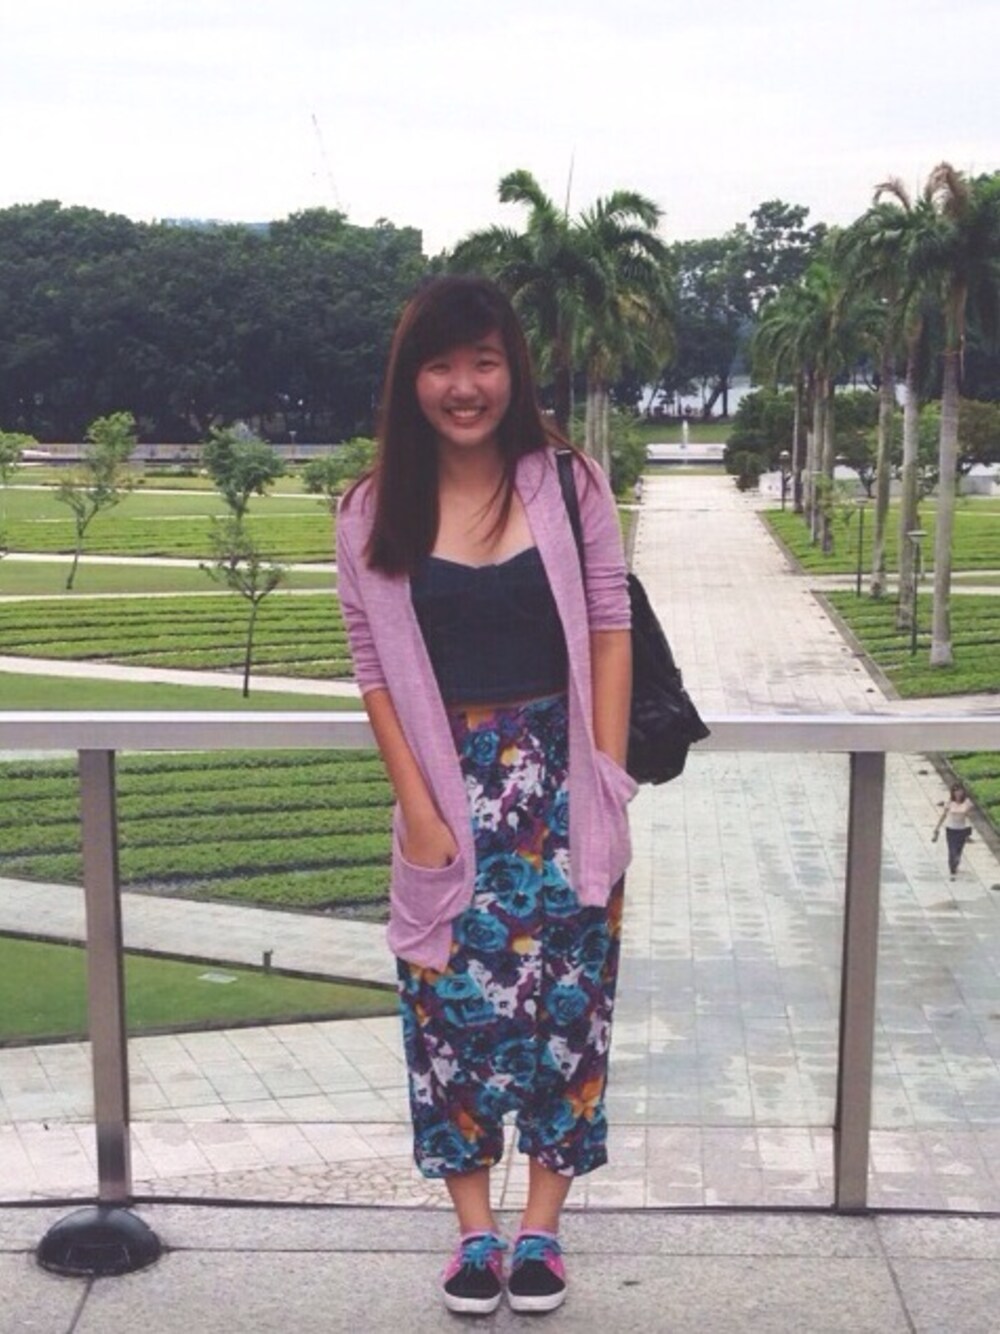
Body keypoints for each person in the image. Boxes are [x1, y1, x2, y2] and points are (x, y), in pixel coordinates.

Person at [336, 275, 635, 1315]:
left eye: (484, 362)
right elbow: (373, 670)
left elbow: (609, 623)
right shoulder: (371, 508)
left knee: (569, 1010)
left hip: (564, 789)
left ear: (513, 371)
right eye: (440, 365)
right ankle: (473, 1233)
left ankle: (541, 1228)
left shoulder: (567, 483)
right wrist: (419, 808)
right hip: (447, 792)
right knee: (444, 1020)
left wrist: (603, 775)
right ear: (409, 379)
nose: (464, 386)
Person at [932, 781, 974, 879]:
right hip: (951, 829)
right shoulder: (950, 803)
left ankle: (956, 863)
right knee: (952, 849)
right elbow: (944, 815)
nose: (958, 793)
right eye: (955, 791)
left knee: (959, 849)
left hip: (962, 830)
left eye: (959, 791)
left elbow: (970, 817)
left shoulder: (967, 803)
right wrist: (937, 828)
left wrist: (969, 832)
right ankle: (952, 867)